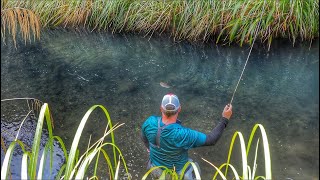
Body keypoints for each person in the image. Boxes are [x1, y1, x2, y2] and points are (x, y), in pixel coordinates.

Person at [141, 93, 233, 179]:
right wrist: (225, 119)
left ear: (161, 108)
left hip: (156, 169)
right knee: (194, 168)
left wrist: (148, 147)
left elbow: (143, 137)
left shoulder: (150, 122)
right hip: (177, 174)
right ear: (179, 108)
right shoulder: (183, 134)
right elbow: (211, 140)